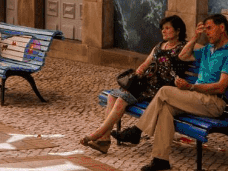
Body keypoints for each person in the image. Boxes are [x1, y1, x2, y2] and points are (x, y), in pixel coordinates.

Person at [113, 13, 228, 171]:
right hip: (197, 99)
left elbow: (220, 87)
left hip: (214, 103)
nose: (207, 33)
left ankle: (137, 131)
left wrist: (190, 87)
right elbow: (183, 55)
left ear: (222, 28)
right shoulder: (208, 50)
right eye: (205, 29)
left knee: (164, 92)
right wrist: (195, 37)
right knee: (165, 110)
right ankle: (160, 159)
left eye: (209, 28)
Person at [81, 15, 188, 154]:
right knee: (111, 97)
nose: (164, 31)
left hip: (159, 90)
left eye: (168, 28)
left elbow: (193, 50)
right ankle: (104, 140)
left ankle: (97, 134)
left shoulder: (182, 48)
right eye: (163, 28)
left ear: (178, 30)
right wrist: (141, 69)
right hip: (145, 84)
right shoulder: (160, 45)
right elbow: (147, 62)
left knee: (121, 99)